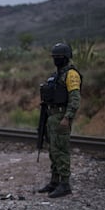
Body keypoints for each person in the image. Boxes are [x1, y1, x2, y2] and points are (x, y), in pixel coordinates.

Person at [38, 43, 81, 198]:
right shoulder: (55, 75)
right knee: (53, 151)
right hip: (51, 116)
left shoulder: (71, 75)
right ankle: (54, 181)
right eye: (54, 57)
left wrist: (68, 117)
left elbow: (75, 98)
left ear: (66, 57)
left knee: (61, 151)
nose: (56, 59)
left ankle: (65, 184)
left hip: (62, 117)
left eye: (59, 57)